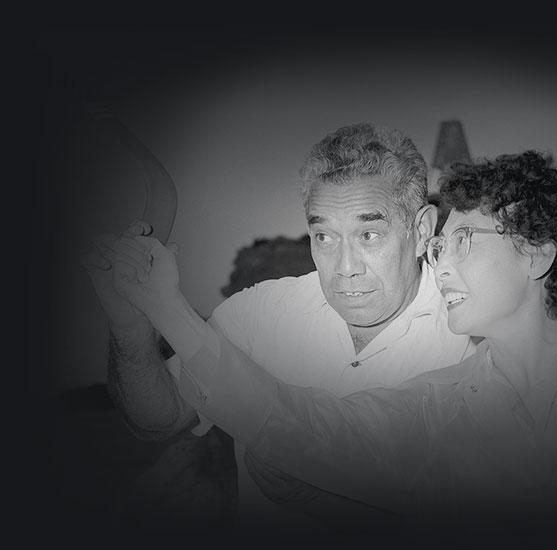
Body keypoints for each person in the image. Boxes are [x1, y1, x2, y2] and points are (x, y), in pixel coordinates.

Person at [108, 150, 557, 534]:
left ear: (537, 252)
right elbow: (299, 428)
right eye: (442, 247)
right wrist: (162, 308)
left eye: (464, 239)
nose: (441, 265)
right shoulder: (438, 405)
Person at [82, 123, 475, 525]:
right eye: (324, 236)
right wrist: (129, 326)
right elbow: (159, 421)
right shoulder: (261, 311)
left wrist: (170, 310)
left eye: (369, 234)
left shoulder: (472, 333)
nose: (345, 268)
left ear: (423, 229)